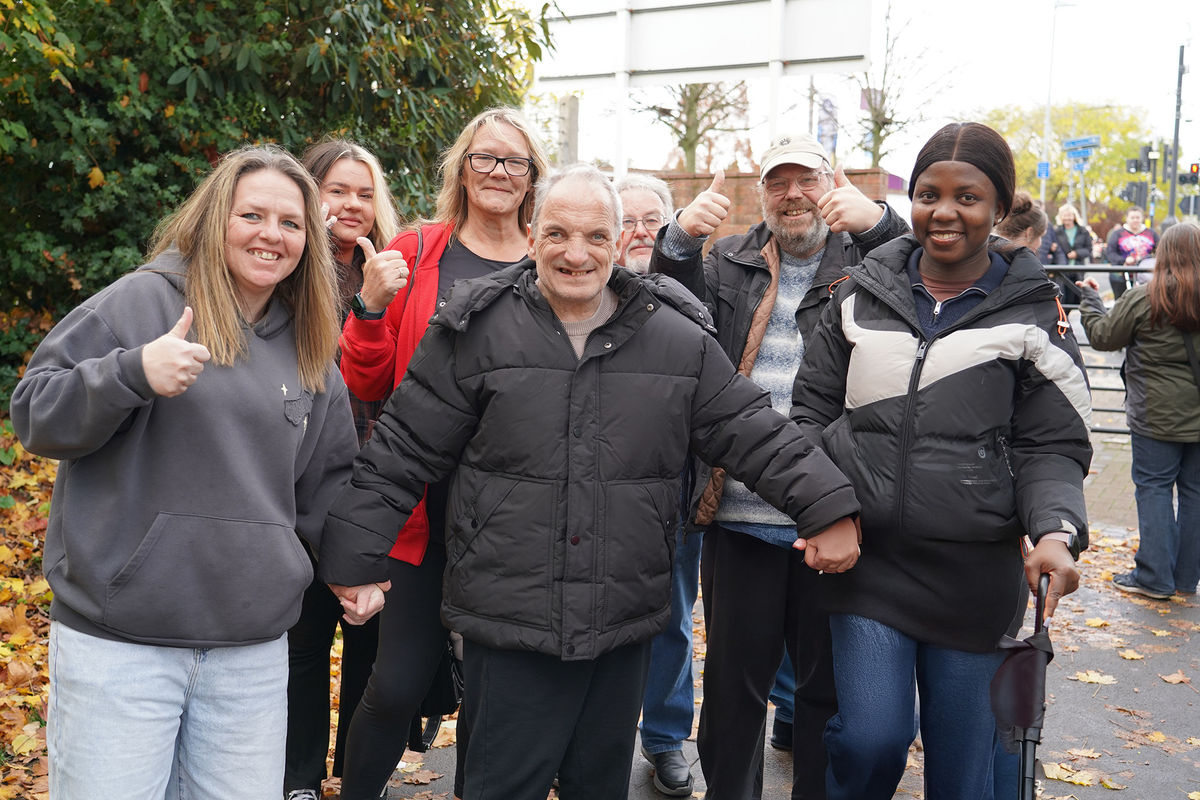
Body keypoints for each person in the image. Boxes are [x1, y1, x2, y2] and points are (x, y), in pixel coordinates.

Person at [318, 163, 863, 800]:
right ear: (532, 237)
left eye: (596, 236)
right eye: (558, 234)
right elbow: (403, 448)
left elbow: (752, 430)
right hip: (509, 619)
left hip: (620, 620)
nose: (576, 254)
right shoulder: (476, 331)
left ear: (619, 242)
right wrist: (353, 557)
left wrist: (828, 507)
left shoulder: (675, 338)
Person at [9, 145, 365, 799]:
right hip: (122, 646)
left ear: (309, 241)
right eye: (252, 215)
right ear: (214, 217)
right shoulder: (143, 302)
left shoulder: (309, 341)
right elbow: (36, 414)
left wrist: (354, 566)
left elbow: (328, 480)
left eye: (290, 223)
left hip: (251, 654)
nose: (271, 234)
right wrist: (130, 373)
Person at [790, 121, 1093, 798]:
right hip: (868, 567)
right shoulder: (858, 295)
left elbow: (1052, 444)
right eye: (928, 194)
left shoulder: (1032, 313)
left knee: (962, 775)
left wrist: (1055, 531)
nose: (945, 211)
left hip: (975, 581)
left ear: (1000, 206)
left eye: (968, 197)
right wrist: (826, 509)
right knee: (869, 740)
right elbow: (808, 417)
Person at [649, 131, 909, 800]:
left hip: (837, 519)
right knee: (733, 691)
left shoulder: (868, 261)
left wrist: (881, 225)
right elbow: (672, 316)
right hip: (738, 514)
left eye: (807, 180)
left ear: (832, 184)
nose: (793, 194)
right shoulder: (730, 260)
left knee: (824, 694)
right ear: (762, 193)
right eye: (777, 182)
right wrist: (678, 243)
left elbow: (919, 279)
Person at [333, 106, 550, 800]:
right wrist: (369, 310)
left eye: (513, 160)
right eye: (484, 157)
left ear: (532, 176)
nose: (498, 171)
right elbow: (366, 381)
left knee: (494, 692)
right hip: (421, 507)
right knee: (395, 684)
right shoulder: (418, 249)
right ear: (462, 167)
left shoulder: (549, 258)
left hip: (512, 512)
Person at [284, 139, 402, 800]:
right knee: (303, 641)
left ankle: (358, 776)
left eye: (364, 192)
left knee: (371, 642)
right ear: (311, 193)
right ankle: (299, 778)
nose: (352, 204)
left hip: (378, 479)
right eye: (337, 190)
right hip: (302, 481)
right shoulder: (289, 269)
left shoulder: (392, 267)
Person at [1076, 222, 1200, 600]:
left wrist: (1090, 302)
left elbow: (1103, 336)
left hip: (1155, 414)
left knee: (1154, 489)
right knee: (1194, 494)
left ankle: (1155, 577)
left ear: (1162, 254)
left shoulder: (1145, 298)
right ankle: (1185, 579)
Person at [615, 173, 673, 274]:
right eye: (627, 221)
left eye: (651, 220)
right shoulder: (592, 283)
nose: (640, 232)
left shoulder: (693, 281)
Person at [1106, 206, 1158, 299]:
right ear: (1127, 218)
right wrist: (1124, 260)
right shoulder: (1117, 234)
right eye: (1132, 217)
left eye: (1137, 217)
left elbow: (1159, 250)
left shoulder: (1151, 233)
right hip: (1122, 274)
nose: (1135, 220)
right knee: (1122, 299)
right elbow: (1110, 253)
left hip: (1146, 275)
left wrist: (1147, 260)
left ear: (1142, 218)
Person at [1049, 203, 1091, 305]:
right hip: (1062, 270)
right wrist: (1052, 247)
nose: (1067, 218)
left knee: (1078, 298)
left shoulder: (1083, 231)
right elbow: (1051, 248)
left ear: (1074, 216)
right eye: (1064, 215)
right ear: (1060, 217)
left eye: (1069, 215)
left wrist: (1077, 253)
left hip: (1078, 269)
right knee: (1063, 299)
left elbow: (1088, 249)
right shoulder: (1056, 231)